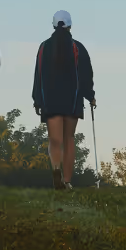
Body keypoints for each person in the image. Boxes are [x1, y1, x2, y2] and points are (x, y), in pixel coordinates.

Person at [32, 10, 95, 190]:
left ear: (53, 25)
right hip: (72, 98)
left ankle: (56, 171)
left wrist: (37, 99)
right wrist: (90, 96)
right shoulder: (78, 47)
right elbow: (85, 75)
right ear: (70, 25)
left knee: (54, 140)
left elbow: (38, 74)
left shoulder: (44, 47)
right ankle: (67, 182)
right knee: (69, 138)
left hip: (50, 98)